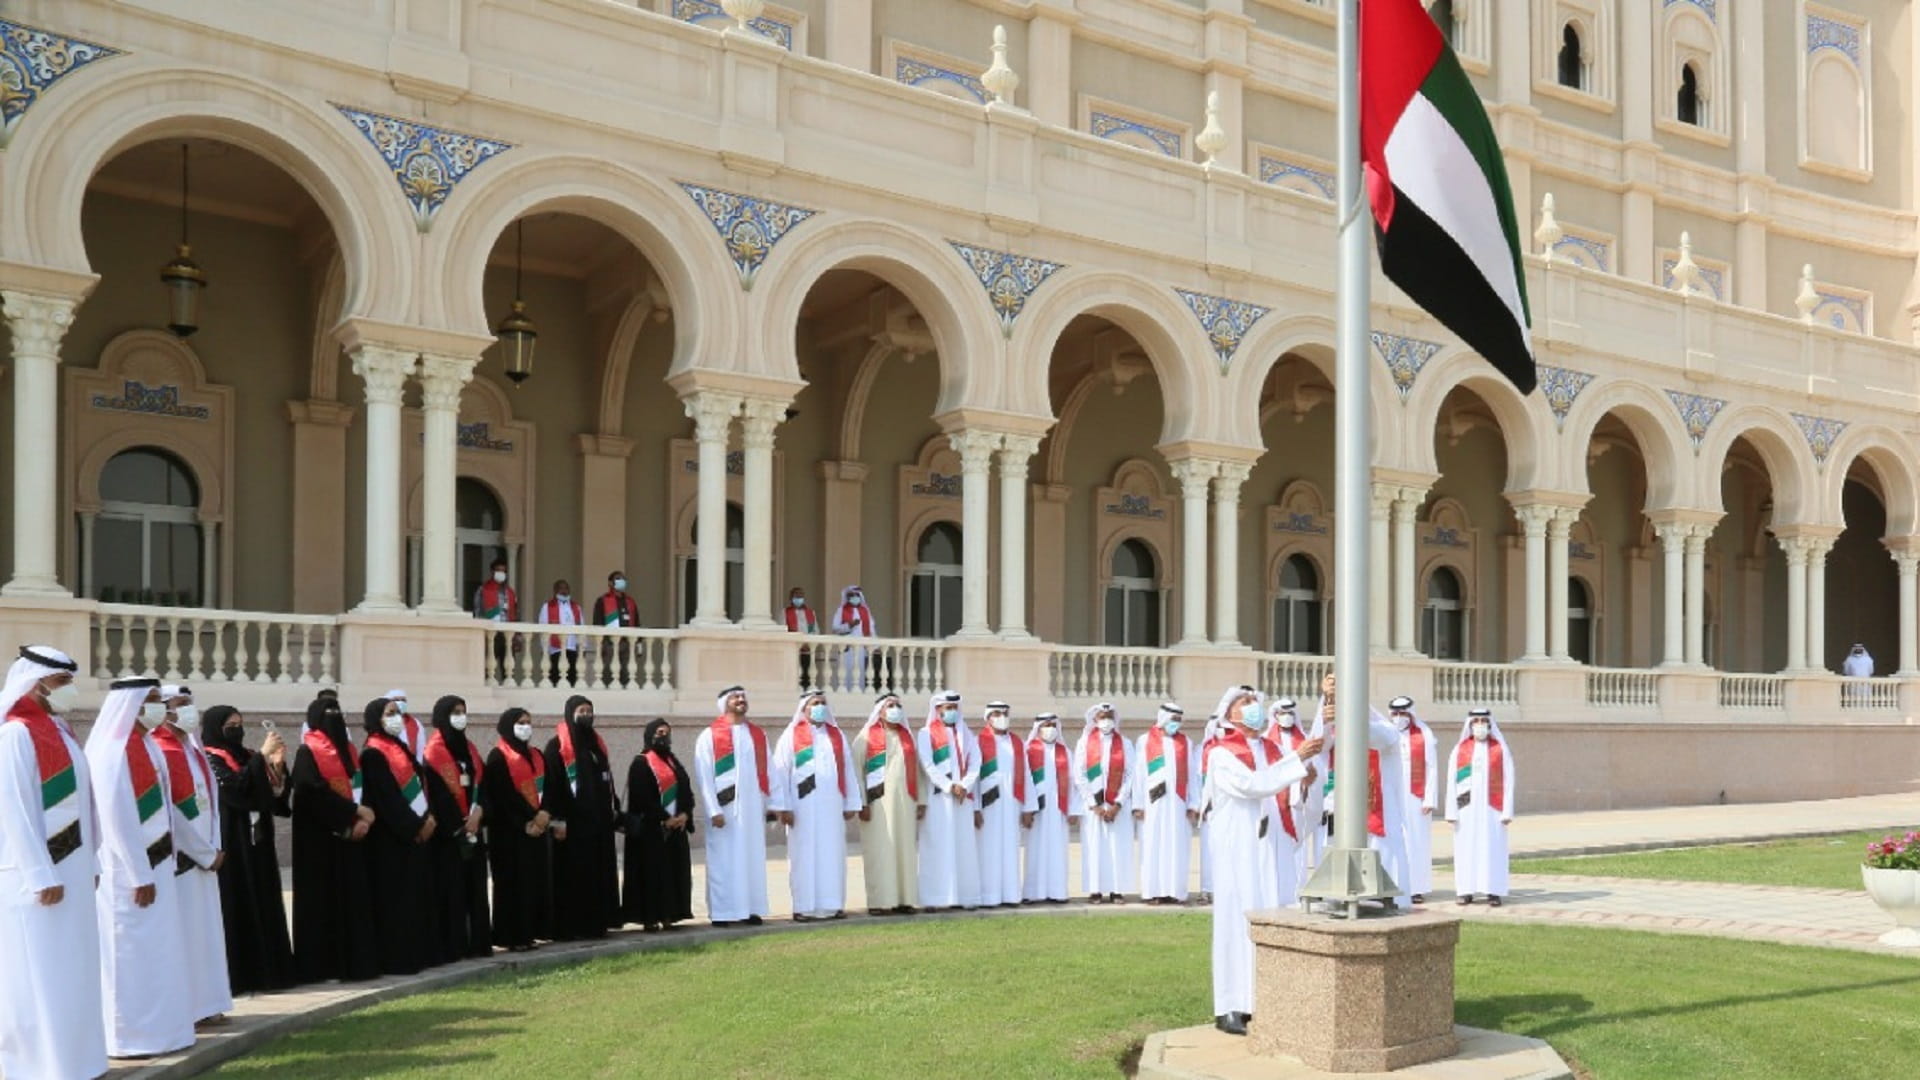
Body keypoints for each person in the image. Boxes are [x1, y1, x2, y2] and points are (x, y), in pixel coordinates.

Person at [0, 645, 108, 1080]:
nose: (70, 690)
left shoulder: (59, 731)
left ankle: (77, 1061)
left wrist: (91, 862)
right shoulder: (16, 734)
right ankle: (38, 1068)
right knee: (38, 976)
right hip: (36, 878)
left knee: (73, 970)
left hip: (74, 870)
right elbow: (13, 811)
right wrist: (41, 872)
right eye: (63, 682)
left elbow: (86, 803)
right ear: (37, 682)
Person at [87, 676, 197, 1058]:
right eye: (150, 699)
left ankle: (162, 1031)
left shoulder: (146, 745)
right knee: (127, 956)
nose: (158, 707)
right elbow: (115, 819)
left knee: (159, 951)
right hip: (128, 875)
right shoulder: (113, 750)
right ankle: (127, 1037)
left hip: (158, 863)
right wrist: (138, 872)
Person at [1203, 685, 1321, 1036]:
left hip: (1271, 846)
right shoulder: (1221, 753)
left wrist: (1304, 777)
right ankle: (1231, 1006)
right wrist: (1296, 762)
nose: (1253, 707)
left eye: (1255, 701)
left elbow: (1284, 789)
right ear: (1229, 714)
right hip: (1238, 849)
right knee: (1236, 921)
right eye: (1245, 702)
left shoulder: (1272, 749)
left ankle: (1269, 1000)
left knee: (1273, 911)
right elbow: (1253, 785)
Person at [199, 704, 295, 994]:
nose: (237, 730)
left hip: (259, 842)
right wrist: (263, 758)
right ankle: (242, 975)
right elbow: (235, 791)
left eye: (240, 724)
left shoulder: (249, 756)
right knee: (239, 903)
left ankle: (271, 971)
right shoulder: (210, 758)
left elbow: (271, 798)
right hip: (234, 842)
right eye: (231, 725)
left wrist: (277, 768)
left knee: (265, 900)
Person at [152, 684, 231, 1025]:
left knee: (206, 935)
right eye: (181, 704)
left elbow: (208, 802)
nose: (188, 710)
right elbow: (172, 813)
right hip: (184, 857)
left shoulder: (191, 747)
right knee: (186, 935)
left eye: (190, 703)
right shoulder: (160, 749)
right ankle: (190, 1008)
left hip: (207, 854)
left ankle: (208, 1003)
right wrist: (201, 851)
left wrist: (213, 845)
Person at [288, 696, 379, 982]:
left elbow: (361, 788)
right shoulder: (308, 751)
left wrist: (361, 819)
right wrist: (351, 814)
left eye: (337, 712)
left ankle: (355, 964)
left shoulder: (349, 751)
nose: (334, 717)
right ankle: (322, 967)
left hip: (352, 837)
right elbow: (310, 792)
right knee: (322, 904)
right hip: (320, 842)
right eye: (328, 713)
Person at [1307, 672, 1407, 908]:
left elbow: (1374, 736)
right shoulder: (1337, 735)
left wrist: (1346, 715)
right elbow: (1319, 743)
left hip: (1377, 816)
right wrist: (1328, 700)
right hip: (1342, 813)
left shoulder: (1386, 732)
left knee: (1380, 871)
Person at [360, 697, 438, 975]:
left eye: (397, 713)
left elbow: (418, 785)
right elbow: (387, 799)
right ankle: (396, 959)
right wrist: (414, 827)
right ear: (375, 719)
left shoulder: (400, 747)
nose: (395, 718)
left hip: (414, 833)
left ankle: (417, 954)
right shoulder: (373, 753)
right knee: (394, 901)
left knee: (414, 898)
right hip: (391, 838)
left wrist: (428, 818)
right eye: (389, 713)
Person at [771, 690, 861, 921]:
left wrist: (851, 802)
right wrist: (783, 807)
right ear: (804, 709)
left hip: (832, 806)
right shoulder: (791, 735)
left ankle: (833, 905)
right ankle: (804, 907)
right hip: (802, 807)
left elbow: (847, 769)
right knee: (804, 855)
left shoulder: (836, 735)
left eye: (823, 703)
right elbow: (780, 772)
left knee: (833, 854)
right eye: (815, 703)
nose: (820, 707)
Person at [693, 686, 772, 927]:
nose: (741, 700)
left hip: (752, 809)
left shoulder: (757, 735)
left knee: (751, 858)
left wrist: (771, 805)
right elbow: (704, 775)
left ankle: (750, 909)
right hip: (724, 810)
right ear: (725, 703)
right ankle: (722, 912)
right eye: (735, 697)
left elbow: (769, 771)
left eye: (743, 697)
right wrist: (713, 809)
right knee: (723, 860)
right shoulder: (709, 735)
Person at [545, 695, 622, 939]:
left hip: (598, 825)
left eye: (590, 710)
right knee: (573, 877)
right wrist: (557, 821)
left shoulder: (596, 745)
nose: (587, 715)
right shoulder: (557, 746)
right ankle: (572, 927)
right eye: (581, 710)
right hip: (572, 827)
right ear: (570, 713)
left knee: (597, 875)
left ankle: (596, 924)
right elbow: (552, 788)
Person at [421, 695, 491, 961]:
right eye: (455, 712)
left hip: (474, 829)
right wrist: (458, 825)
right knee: (451, 892)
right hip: (448, 837)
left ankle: (478, 943)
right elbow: (436, 796)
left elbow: (483, 787)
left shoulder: (471, 751)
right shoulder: (433, 754)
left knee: (475, 889)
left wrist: (478, 814)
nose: (461, 716)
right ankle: (454, 946)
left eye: (463, 711)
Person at [484, 707, 554, 951]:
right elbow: (503, 797)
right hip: (510, 833)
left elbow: (548, 787)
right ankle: (511, 936)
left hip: (536, 829)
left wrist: (544, 813)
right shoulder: (498, 757)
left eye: (529, 722)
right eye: (521, 722)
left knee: (533, 883)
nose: (526, 726)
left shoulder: (536, 755)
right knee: (512, 885)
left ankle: (530, 932)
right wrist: (527, 821)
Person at [623, 719, 694, 931]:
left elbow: (686, 790)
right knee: (652, 875)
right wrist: (664, 817)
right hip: (651, 831)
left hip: (675, 829)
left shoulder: (673, 761)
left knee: (673, 873)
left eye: (667, 733)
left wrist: (684, 814)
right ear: (649, 735)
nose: (663, 737)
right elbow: (641, 797)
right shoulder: (641, 762)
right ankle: (650, 917)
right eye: (659, 732)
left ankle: (670, 914)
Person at [854, 693, 922, 915]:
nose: (895, 709)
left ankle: (905, 899)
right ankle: (880, 902)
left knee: (905, 851)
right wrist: (861, 803)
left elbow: (917, 772)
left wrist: (922, 800)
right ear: (880, 712)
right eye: (890, 705)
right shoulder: (865, 737)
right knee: (881, 852)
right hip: (877, 807)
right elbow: (856, 772)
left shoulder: (907, 737)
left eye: (898, 705)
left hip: (906, 803)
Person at [916, 690, 980, 910]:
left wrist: (964, 785)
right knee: (937, 847)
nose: (951, 712)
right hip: (938, 799)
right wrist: (948, 785)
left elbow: (975, 763)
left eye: (954, 708)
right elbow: (927, 765)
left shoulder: (967, 734)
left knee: (962, 848)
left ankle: (962, 897)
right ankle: (933, 898)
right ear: (938, 710)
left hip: (962, 799)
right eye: (947, 708)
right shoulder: (926, 733)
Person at [1447, 708, 1516, 907]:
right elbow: (1451, 781)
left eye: (1483, 720)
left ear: (1489, 724)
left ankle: (1493, 891)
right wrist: (1452, 811)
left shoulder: (1500, 749)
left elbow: (1509, 780)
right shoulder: (1460, 750)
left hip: (1492, 810)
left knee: (1492, 849)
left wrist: (1507, 810)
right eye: (1475, 720)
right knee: (1465, 849)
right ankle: (1465, 891)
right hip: (1465, 809)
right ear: (1469, 724)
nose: (1479, 724)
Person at [1135, 703, 1200, 905]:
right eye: (1173, 720)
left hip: (1178, 804)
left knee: (1176, 847)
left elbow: (1192, 775)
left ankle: (1174, 891)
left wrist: (1194, 803)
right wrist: (1138, 804)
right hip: (1152, 804)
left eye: (1179, 721)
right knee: (1153, 846)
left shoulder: (1186, 742)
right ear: (1163, 718)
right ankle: (1153, 891)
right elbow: (1139, 774)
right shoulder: (1145, 740)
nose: (1176, 724)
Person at [1075, 701, 1136, 903]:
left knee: (1117, 848)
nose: (1106, 721)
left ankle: (1117, 890)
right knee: (1095, 848)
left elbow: (1130, 775)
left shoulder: (1125, 743)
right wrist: (1095, 804)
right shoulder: (1084, 742)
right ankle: (1095, 890)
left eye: (1109, 717)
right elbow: (1080, 774)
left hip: (1117, 805)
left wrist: (1118, 803)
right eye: (1102, 717)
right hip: (1094, 806)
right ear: (1095, 720)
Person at [974, 700, 1032, 908]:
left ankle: (1010, 895)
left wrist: (1028, 808)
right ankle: (988, 896)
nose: (1002, 717)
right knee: (988, 850)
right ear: (988, 718)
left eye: (1005, 713)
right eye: (997, 713)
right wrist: (975, 808)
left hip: (1012, 805)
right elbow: (974, 778)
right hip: (988, 804)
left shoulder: (1017, 743)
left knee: (1010, 849)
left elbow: (1026, 775)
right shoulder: (978, 741)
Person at [1387, 696, 1439, 904]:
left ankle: (1416, 887)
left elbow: (1432, 768)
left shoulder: (1424, 735)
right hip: (1391, 795)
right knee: (1391, 840)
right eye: (1396, 714)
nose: (1399, 718)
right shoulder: (1386, 734)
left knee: (1416, 841)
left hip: (1416, 797)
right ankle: (1392, 884)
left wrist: (1429, 798)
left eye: (1403, 714)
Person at [1261, 697, 1315, 894]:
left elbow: (1313, 768)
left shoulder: (1304, 740)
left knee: (1298, 840)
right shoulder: (1266, 740)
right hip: (1275, 799)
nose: (1287, 717)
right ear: (1275, 715)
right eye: (1283, 713)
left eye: (1291, 713)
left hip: (1298, 798)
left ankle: (1299, 886)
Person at [1021, 713, 1073, 904]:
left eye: (1052, 725)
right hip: (1037, 810)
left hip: (1059, 810)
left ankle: (1057, 892)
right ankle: (1033, 893)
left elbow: (1072, 782)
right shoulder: (1028, 750)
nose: (1049, 729)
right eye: (1045, 725)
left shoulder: (1065, 752)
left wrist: (1073, 810)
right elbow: (1024, 780)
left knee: (1057, 850)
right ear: (1037, 728)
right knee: (1035, 850)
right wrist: (1027, 808)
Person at [591, 571, 641, 687]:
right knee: (608, 674)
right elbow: (597, 623)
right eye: (618, 579)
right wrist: (601, 643)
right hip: (609, 644)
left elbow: (637, 622)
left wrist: (639, 645)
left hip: (628, 643)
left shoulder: (630, 601)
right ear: (610, 583)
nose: (621, 582)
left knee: (627, 674)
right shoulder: (603, 600)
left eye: (623, 579)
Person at [474, 557, 521, 680]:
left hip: (507, 633)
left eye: (503, 571)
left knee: (508, 668)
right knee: (489, 667)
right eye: (498, 570)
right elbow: (478, 612)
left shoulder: (510, 592)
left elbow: (515, 613)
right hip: (492, 633)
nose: (501, 573)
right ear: (492, 572)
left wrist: (518, 637)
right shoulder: (483, 589)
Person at [536, 580, 584, 687]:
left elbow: (581, 628)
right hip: (555, 648)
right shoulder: (547, 607)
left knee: (572, 678)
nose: (564, 591)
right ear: (555, 590)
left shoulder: (576, 607)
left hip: (571, 647)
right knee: (555, 678)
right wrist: (544, 649)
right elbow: (543, 628)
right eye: (561, 588)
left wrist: (583, 647)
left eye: (566, 588)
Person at [831, 585, 877, 692]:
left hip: (861, 648)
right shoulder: (841, 610)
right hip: (847, 649)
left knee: (859, 673)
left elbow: (871, 629)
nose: (854, 597)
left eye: (856, 595)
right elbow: (835, 628)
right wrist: (849, 625)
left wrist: (875, 646)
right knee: (845, 673)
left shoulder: (865, 611)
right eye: (851, 595)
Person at [787, 586, 822, 689]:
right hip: (794, 649)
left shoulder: (810, 613)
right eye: (796, 595)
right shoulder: (786, 612)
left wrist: (808, 642)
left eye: (801, 595)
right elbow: (784, 629)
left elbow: (815, 630)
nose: (799, 597)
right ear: (791, 598)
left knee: (807, 676)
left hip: (808, 649)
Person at [383, 688, 427, 761]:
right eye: (396, 700)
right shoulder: (383, 721)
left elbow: (421, 748)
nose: (400, 703)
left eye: (403, 700)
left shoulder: (415, 723)